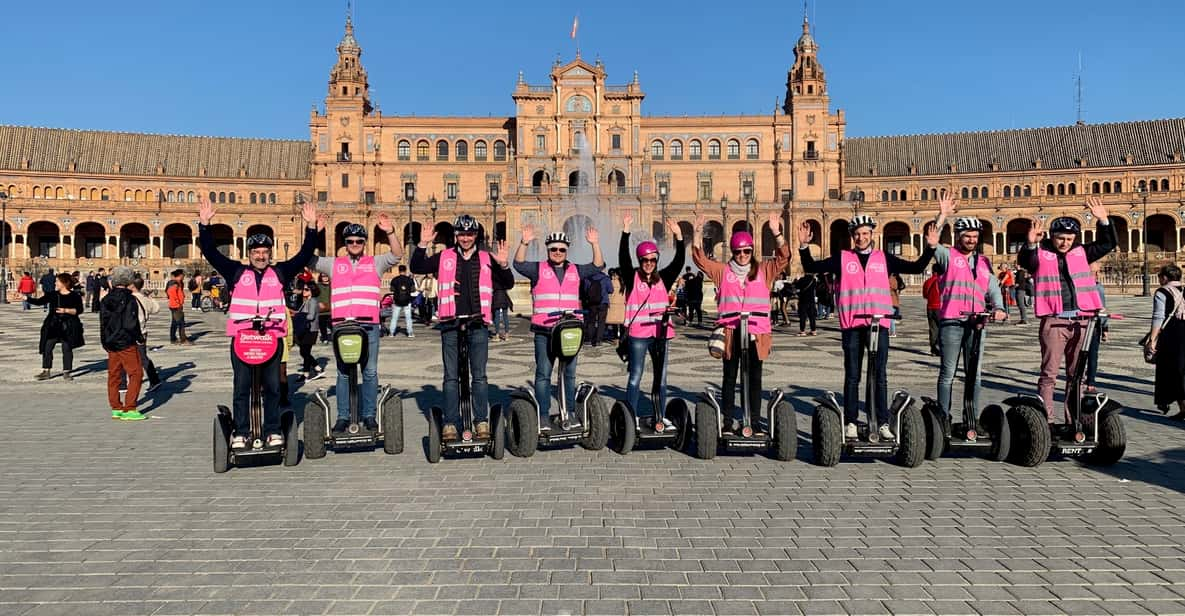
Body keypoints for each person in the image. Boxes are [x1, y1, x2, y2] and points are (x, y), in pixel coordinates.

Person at [798, 215, 936, 440]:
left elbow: (917, 267)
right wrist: (804, 245)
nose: (861, 238)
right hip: (852, 324)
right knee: (852, 375)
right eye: (857, 234)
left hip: (877, 324)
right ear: (852, 236)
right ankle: (851, 421)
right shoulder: (842, 258)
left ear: (872, 234)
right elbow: (810, 266)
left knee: (879, 375)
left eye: (865, 233)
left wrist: (930, 246)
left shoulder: (884, 258)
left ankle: (881, 421)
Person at [198, 197, 319, 449]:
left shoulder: (281, 272)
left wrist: (311, 227)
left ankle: (273, 429)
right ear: (249, 254)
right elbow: (210, 253)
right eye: (256, 253)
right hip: (242, 337)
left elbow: (304, 255)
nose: (261, 256)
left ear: (270, 253)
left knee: (273, 386)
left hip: (271, 337)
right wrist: (204, 224)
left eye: (265, 252)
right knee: (241, 387)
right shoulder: (236, 272)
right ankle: (241, 432)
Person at [410, 215, 514, 441]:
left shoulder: (487, 258)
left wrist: (504, 265)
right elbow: (416, 266)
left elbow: (507, 284)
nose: (466, 237)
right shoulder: (444, 256)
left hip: (478, 323)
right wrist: (422, 244)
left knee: (479, 376)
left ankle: (481, 420)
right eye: (462, 233)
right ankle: (449, 423)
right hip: (450, 322)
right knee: (450, 377)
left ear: (476, 235)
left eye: (470, 233)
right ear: (456, 235)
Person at [1017, 196, 1115, 422]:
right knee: (1049, 373)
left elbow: (1107, 244)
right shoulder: (1041, 254)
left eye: (1069, 239)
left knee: (1076, 375)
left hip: (1081, 320)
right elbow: (1026, 262)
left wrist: (1103, 222)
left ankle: (1074, 419)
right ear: (1052, 237)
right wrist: (1031, 243)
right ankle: (1047, 420)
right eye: (1060, 238)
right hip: (1054, 320)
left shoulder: (1082, 252)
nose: (1065, 243)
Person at [693, 213, 789, 432]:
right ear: (733, 252)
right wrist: (698, 232)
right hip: (731, 331)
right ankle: (727, 422)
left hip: (757, 332)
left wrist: (776, 233)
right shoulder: (722, 271)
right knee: (729, 376)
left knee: (754, 378)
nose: (743, 255)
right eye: (738, 252)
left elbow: (784, 258)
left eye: (746, 251)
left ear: (751, 251)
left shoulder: (765, 270)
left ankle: (753, 422)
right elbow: (700, 260)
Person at [311, 214, 402, 433]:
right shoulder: (334, 264)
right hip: (342, 326)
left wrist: (389, 232)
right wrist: (314, 233)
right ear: (345, 244)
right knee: (342, 372)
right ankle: (343, 417)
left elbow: (397, 255)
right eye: (350, 241)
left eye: (359, 241)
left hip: (368, 325)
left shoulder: (375, 263)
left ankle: (369, 415)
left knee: (369, 372)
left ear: (364, 243)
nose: (354, 244)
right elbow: (308, 259)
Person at [513, 224, 605, 431]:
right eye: (554, 249)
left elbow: (598, 265)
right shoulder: (538, 269)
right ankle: (543, 415)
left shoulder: (576, 270)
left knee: (569, 373)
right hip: (544, 330)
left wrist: (595, 244)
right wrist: (524, 242)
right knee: (544, 373)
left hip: (569, 330)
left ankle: (570, 413)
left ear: (567, 250)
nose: (557, 252)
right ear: (548, 250)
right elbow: (518, 264)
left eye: (562, 249)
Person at [930, 196, 1008, 424]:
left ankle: (971, 418)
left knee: (974, 375)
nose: (972, 240)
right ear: (958, 237)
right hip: (952, 322)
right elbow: (932, 240)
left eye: (975, 237)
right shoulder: (947, 256)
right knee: (948, 373)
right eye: (967, 236)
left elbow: (992, 286)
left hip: (978, 323)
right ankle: (943, 417)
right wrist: (943, 215)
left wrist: (999, 307)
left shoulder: (983, 262)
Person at [617, 213, 685, 422]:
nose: (648, 263)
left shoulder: (664, 278)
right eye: (645, 260)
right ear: (640, 261)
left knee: (661, 379)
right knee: (635, 377)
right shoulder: (631, 277)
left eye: (652, 260)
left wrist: (679, 236)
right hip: (638, 335)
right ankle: (630, 417)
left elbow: (679, 261)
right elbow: (623, 258)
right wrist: (625, 231)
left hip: (661, 333)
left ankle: (660, 417)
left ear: (656, 260)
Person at [100, 267, 146, 420]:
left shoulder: (106, 299)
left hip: (111, 341)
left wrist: (104, 340)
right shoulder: (129, 299)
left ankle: (116, 407)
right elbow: (130, 322)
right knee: (136, 373)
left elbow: (103, 322)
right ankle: (130, 408)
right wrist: (139, 337)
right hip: (126, 341)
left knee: (114, 375)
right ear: (128, 281)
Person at [30, 272, 85, 381]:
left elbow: (79, 310)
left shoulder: (75, 296)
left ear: (64, 283)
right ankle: (46, 370)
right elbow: (39, 302)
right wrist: (26, 298)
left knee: (67, 349)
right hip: (53, 325)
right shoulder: (53, 294)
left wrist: (66, 310)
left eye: (57, 281)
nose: (55, 283)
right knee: (47, 347)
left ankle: (67, 371)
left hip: (68, 325)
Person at [1147, 264, 1185, 419]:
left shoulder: (1162, 292)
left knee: (1171, 371)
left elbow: (1158, 317)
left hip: (1172, 335)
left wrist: (1152, 340)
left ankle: (1180, 406)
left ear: (1164, 277)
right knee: (1182, 371)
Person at [129, 276, 162, 392]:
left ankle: (125, 382)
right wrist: (150, 297)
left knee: (126, 356)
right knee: (143, 357)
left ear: (132, 286)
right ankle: (154, 379)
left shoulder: (129, 298)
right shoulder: (144, 298)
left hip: (130, 332)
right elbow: (156, 309)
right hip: (142, 331)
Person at [1084, 261, 1109, 394]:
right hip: (1092, 326)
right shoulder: (1097, 288)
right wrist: (1105, 328)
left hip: (1077, 324)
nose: (1098, 274)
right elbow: (1102, 310)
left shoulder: (1075, 286)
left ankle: (1080, 380)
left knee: (1079, 355)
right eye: (1095, 272)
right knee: (1092, 355)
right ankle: (1090, 383)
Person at [583, 269, 612, 347]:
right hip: (603, 302)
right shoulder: (606, 278)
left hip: (591, 303)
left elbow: (585, 290)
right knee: (601, 322)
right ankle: (598, 340)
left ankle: (589, 340)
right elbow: (610, 290)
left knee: (591, 322)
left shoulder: (587, 278)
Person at [389, 264, 417, 338]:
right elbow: (413, 290)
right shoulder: (409, 280)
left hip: (397, 301)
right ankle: (410, 333)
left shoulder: (394, 279)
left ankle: (391, 333)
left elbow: (391, 289)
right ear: (405, 271)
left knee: (394, 317)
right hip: (407, 301)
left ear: (399, 271)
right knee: (408, 318)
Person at [166, 269, 192, 345]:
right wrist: (177, 301)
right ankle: (183, 339)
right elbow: (170, 292)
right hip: (176, 305)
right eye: (183, 275)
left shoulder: (178, 283)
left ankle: (173, 338)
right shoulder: (174, 283)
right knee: (180, 323)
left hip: (176, 305)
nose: (184, 277)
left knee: (174, 322)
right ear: (180, 275)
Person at [921, 268, 942, 355]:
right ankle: (939, 346)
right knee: (943, 328)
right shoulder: (941, 281)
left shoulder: (927, 282)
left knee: (933, 328)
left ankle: (933, 349)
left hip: (930, 307)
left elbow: (925, 295)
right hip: (940, 307)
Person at [606, 269, 625, 340]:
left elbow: (608, 292)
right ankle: (622, 338)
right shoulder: (623, 283)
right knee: (621, 323)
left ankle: (615, 338)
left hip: (612, 304)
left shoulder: (611, 282)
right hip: (621, 305)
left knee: (614, 323)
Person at [316, 272, 332, 343]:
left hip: (331, 308)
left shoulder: (332, 285)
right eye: (323, 276)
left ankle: (334, 336)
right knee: (322, 324)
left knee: (332, 324)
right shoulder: (318, 285)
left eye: (326, 276)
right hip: (321, 308)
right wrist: (319, 302)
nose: (325, 278)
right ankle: (325, 338)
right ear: (320, 277)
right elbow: (315, 295)